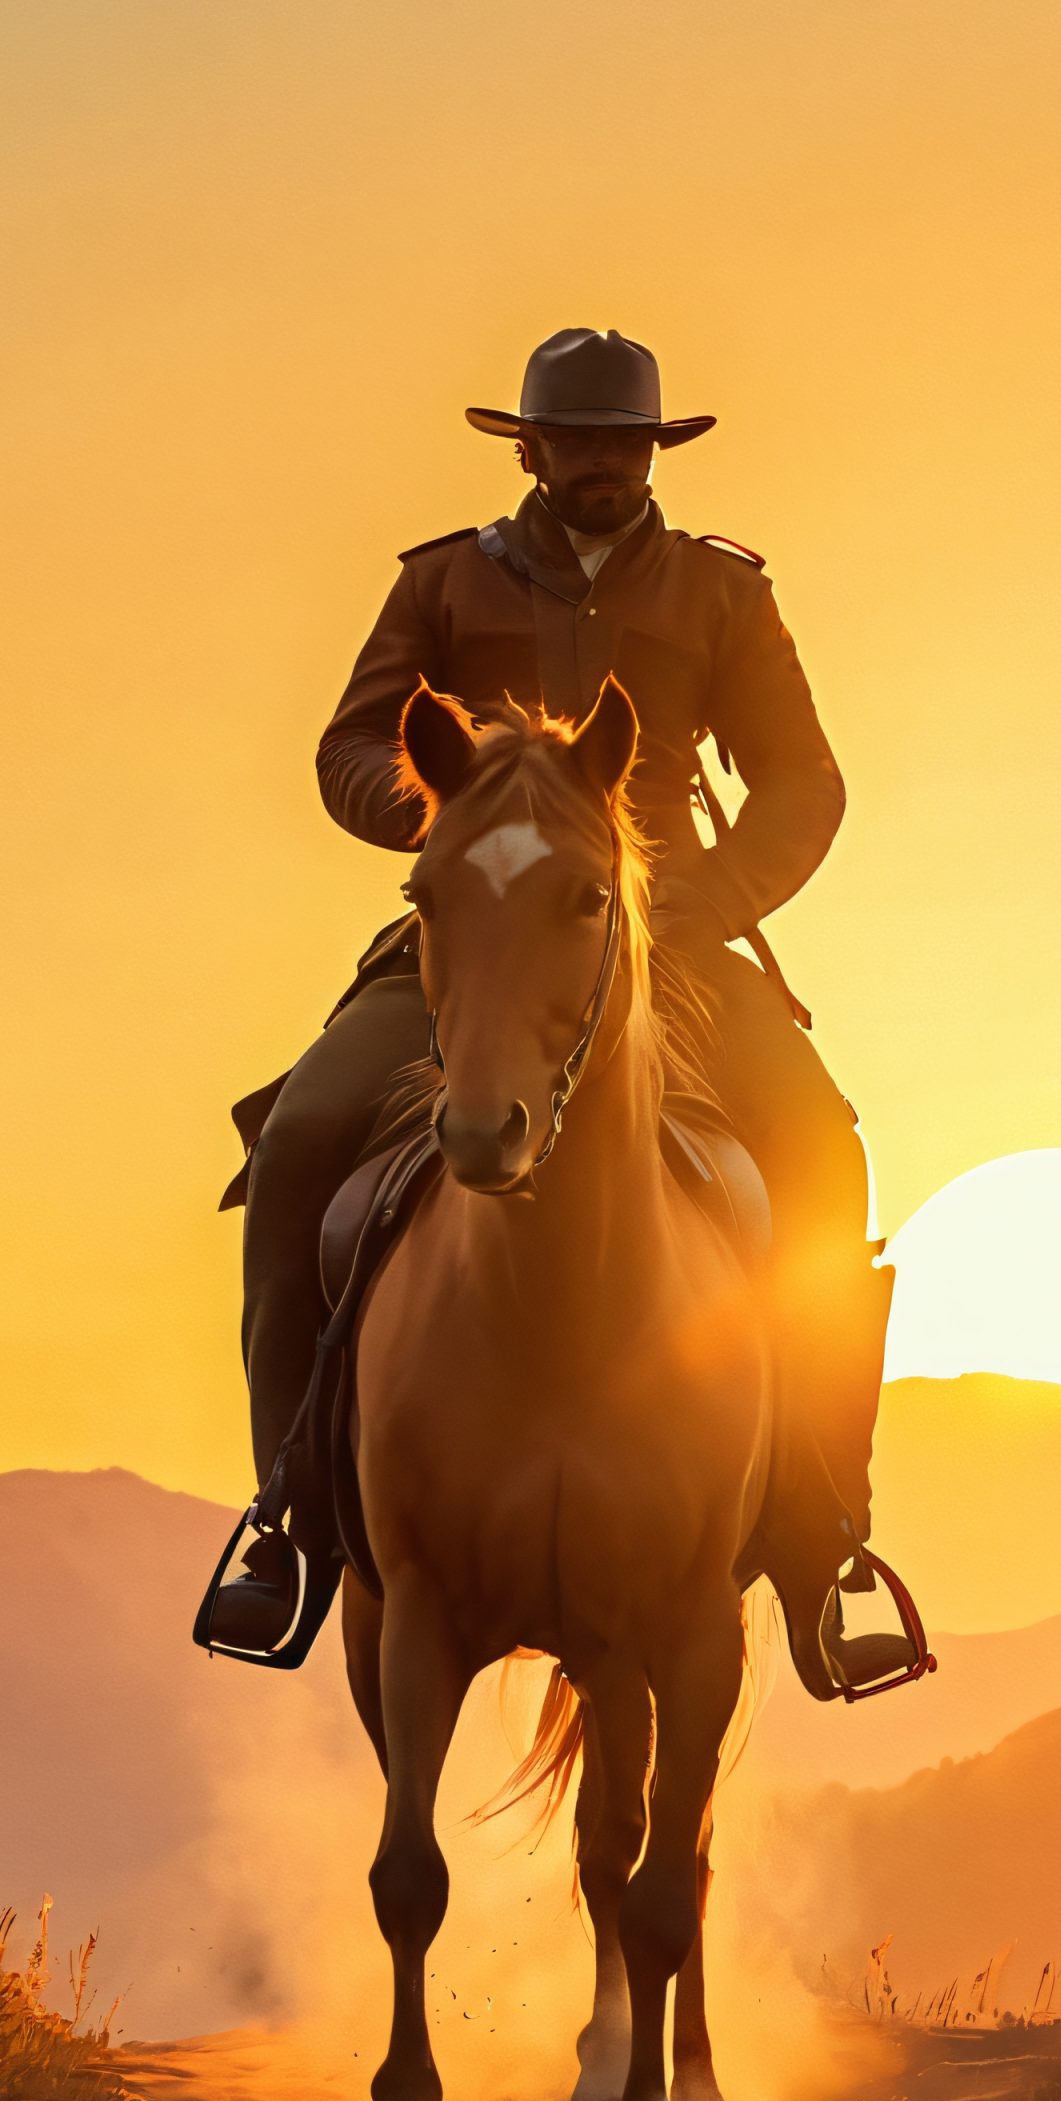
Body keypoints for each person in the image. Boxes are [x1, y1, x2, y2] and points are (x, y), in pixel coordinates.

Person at [216, 327, 896, 1672]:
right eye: (579, 440)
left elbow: (802, 781)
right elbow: (349, 745)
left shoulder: (722, 595)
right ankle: (288, 1518)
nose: (604, 463)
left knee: (824, 1152)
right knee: (298, 1144)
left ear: (654, 452)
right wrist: (454, 816)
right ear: (530, 449)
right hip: (475, 946)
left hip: (673, 945)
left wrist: (706, 899)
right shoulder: (441, 581)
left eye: (625, 443)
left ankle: (826, 1537)